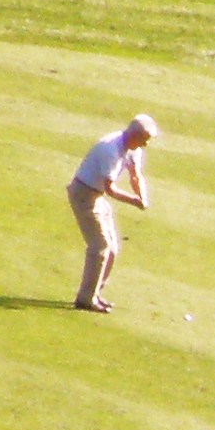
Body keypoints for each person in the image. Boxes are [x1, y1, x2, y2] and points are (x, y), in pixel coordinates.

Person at [67, 114, 157, 312]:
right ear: (134, 135)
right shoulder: (110, 149)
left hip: (97, 196)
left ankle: (95, 293)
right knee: (100, 246)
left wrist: (142, 195)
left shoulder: (133, 148)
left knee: (113, 248)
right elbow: (111, 189)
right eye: (145, 140)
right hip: (84, 194)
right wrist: (134, 201)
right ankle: (85, 298)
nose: (146, 145)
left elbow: (135, 175)